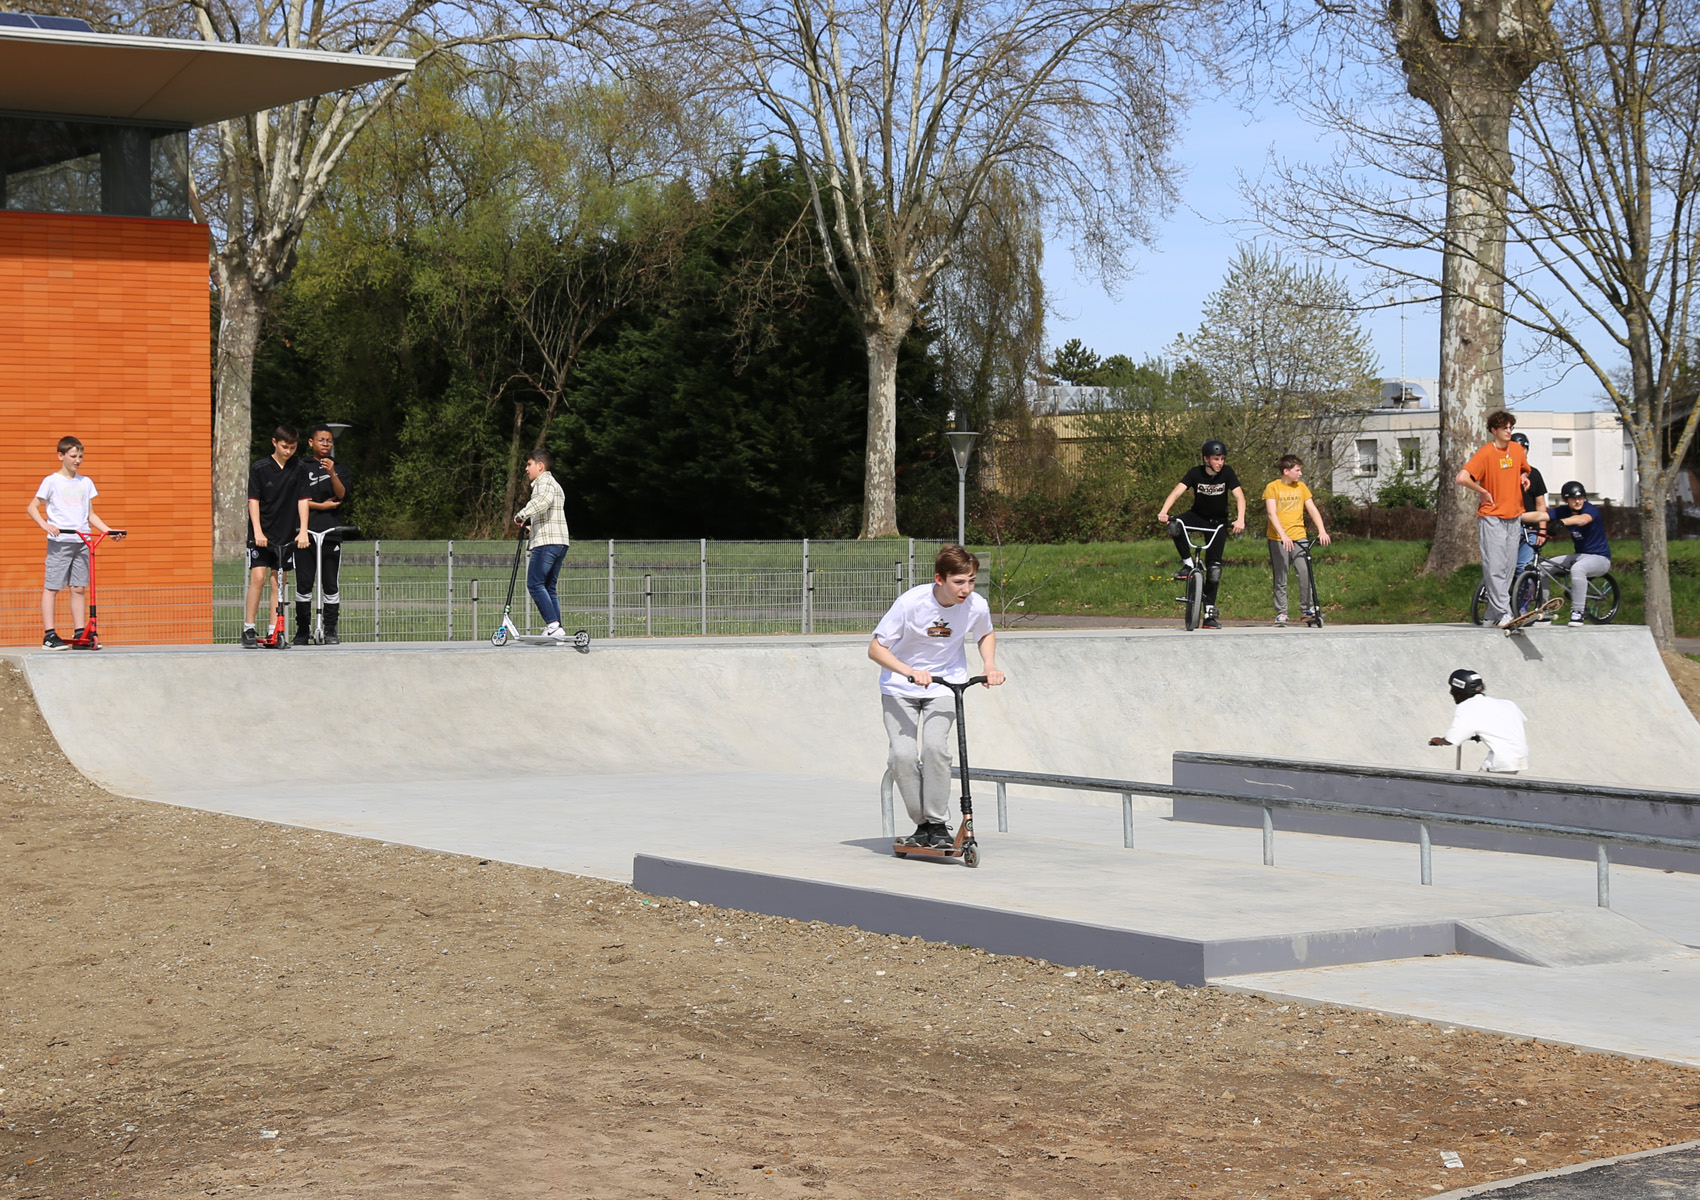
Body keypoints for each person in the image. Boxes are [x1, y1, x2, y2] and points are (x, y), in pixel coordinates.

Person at [868, 544, 1005, 849]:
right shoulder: (912, 603)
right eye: (959, 582)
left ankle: (938, 822)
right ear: (939, 579)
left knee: (935, 749)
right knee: (901, 757)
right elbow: (876, 648)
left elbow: (985, 632)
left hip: (945, 686)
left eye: (971, 581)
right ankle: (923, 825)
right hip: (900, 688)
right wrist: (908, 671)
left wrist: (990, 665)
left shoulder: (976, 605)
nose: (966, 589)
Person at [27, 435, 124, 650]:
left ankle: (81, 633)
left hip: (83, 540)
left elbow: (90, 514)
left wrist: (108, 531)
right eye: (73, 456)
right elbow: (33, 506)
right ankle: (49, 635)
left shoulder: (85, 482)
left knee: (79, 588)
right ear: (61, 456)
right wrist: (45, 525)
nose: (77, 460)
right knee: (52, 587)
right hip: (61, 540)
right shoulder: (51, 481)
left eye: (80, 456)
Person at [1157, 439, 1246, 630]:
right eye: (1216, 459)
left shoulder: (1228, 473)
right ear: (1206, 459)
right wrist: (1164, 511)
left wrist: (1240, 519)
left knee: (1214, 570)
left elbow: (1240, 496)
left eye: (1222, 459)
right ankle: (1188, 564)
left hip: (1218, 523)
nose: (1220, 463)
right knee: (1175, 525)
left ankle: (1209, 614)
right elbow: (1176, 493)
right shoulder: (1195, 473)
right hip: (1197, 516)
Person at [1455, 410, 1529, 627]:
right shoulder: (1486, 453)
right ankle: (1505, 612)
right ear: (1494, 430)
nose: (1509, 431)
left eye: (1511, 428)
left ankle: (1490, 614)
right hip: (1492, 516)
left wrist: (1524, 479)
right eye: (1505, 428)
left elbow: (1524, 470)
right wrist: (1482, 491)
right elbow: (1462, 477)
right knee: (1494, 565)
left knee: (1508, 567)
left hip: (1514, 515)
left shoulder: (1516, 450)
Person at [243, 426, 310, 648]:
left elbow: (303, 500)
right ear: (274, 442)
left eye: (292, 447)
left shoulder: (299, 468)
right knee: (259, 577)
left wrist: (302, 531)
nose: (288, 451)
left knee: (278, 581)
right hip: (262, 532)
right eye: (284, 446)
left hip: (286, 533)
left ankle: (275, 630)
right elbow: (254, 501)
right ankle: (249, 628)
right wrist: (258, 531)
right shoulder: (260, 468)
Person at [293, 424, 352, 644]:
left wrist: (332, 473)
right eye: (321, 440)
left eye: (329, 441)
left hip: (331, 533)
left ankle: (330, 629)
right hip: (304, 533)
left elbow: (341, 495)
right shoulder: (300, 467)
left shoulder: (341, 468)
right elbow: (299, 500)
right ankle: (302, 630)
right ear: (311, 442)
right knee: (304, 583)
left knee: (330, 583)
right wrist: (321, 506)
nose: (325, 444)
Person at [1261, 454, 1332, 628]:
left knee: (1305, 571)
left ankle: (1307, 609)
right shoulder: (1273, 487)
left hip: (1299, 536)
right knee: (1281, 574)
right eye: (1297, 470)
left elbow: (1312, 510)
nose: (1300, 474)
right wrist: (1283, 535)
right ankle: (1282, 612)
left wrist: (1321, 530)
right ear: (1286, 471)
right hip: (1278, 538)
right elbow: (1271, 513)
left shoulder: (1301, 487)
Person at [513, 447, 572, 641]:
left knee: (535, 583)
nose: (526, 468)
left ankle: (553, 625)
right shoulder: (555, 484)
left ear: (540, 466)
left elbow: (543, 502)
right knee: (549, 587)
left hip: (547, 544)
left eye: (529, 464)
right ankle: (557, 627)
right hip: (559, 542)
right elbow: (549, 513)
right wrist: (531, 529)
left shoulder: (544, 481)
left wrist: (522, 514)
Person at [1428, 668, 1528, 773]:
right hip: (1520, 758)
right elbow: (1510, 725)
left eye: (1453, 691)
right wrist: (1480, 735)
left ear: (1459, 692)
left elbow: (1453, 738)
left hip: (1500, 760)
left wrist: (1439, 741)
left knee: (1476, 788)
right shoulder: (1508, 704)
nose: (1451, 693)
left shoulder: (1467, 706)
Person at [1542, 481, 1611, 627]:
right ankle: (1543, 612)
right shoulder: (1563, 511)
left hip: (1601, 558)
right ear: (1566, 500)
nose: (1578, 501)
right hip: (1580, 555)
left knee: (1578, 569)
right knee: (1542, 567)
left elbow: (1582, 520)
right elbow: (1540, 516)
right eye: (1574, 498)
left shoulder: (1590, 510)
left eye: (1581, 498)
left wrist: (1561, 522)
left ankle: (1578, 613)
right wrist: (1517, 517)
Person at [1509, 432, 1550, 579]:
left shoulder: (1535, 474)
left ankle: (1523, 601)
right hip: (1507, 526)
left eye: (1523, 448)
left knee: (1522, 567)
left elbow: (1540, 505)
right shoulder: (1503, 473)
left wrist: (1542, 529)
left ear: (1527, 451)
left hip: (1530, 529)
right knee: (1505, 568)